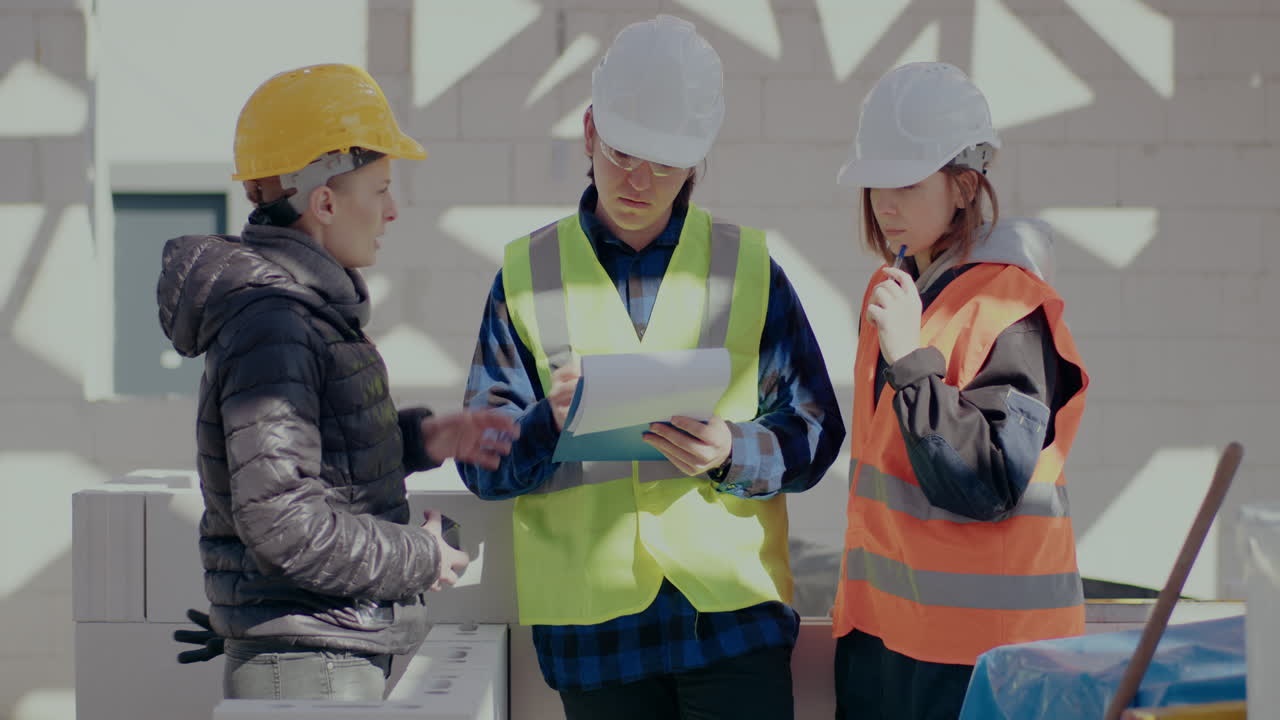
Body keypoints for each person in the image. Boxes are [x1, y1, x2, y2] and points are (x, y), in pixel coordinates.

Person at [455, 15, 845, 720]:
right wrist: (547, 423)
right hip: (598, 640)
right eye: (624, 152)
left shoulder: (750, 269)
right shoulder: (526, 275)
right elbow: (480, 465)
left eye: (664, 162)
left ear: (695, 161)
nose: (639, 179)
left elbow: (818, 431)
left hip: (731, 625)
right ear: (590, 133)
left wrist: (735, 450)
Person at [156, 63, 518, 701]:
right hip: (308, 662)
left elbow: (312, 466)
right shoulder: (277, 323)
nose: (393, 210)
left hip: (315, 654)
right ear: (324, 202)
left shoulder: (297, 315)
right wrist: (420, 556)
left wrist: (423, 439)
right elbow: (282, 521)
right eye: (379, 189)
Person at [830, 61, 1091, 719]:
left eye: (905, 183)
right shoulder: (901, 294)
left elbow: (988, 481)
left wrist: (912, 362)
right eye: (874, 184)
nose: (884, 203)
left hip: (985, 664)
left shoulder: (1011, 304)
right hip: (891, 641)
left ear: (964, 185)